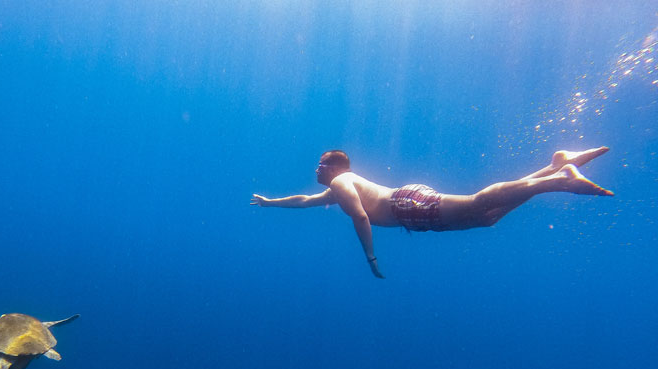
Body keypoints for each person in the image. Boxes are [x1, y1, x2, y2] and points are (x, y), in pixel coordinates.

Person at [251, 147, 614, 279]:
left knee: (476, 203)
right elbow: (303, 200)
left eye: (319, 165)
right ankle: (553, 168)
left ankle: (559, 179)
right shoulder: (337, 189)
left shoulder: (343, 181)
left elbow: (361, 217)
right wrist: (270, 203)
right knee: (487, 217)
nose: (315, 170)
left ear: (332, 167)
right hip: (409, 212)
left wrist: (371, 257)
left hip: (405, 205)